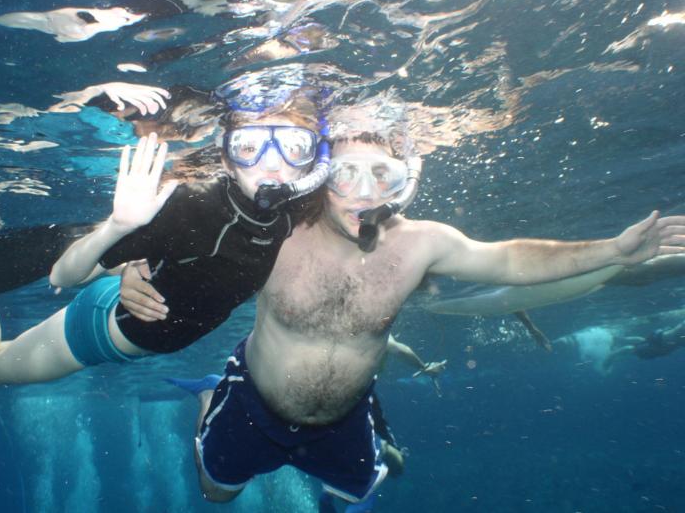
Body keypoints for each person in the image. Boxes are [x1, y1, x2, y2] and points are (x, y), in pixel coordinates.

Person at [121, 127, 684, 506]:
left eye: (381, 176)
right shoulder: (279, 232)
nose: (362, 194)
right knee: (217, 495)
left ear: (405, 181)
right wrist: (133, 264)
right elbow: (187, 235)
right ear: (322, 175)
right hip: (252, 403)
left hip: (343, 418)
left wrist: (612, 250)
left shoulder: (422, 243)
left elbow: (507, 257)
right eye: (345, 174)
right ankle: (207, 399)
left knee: (355, 494)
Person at [0, 93, 331, 384]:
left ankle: (117, 261)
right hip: (104, 331)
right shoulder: (191, 205)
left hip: (141, 291)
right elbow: (61, 278)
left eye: (295, 146)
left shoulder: (299, 204)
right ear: (226, 158)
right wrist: (118, 227)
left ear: (314, 160)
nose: (274, 162)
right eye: (249, 146)